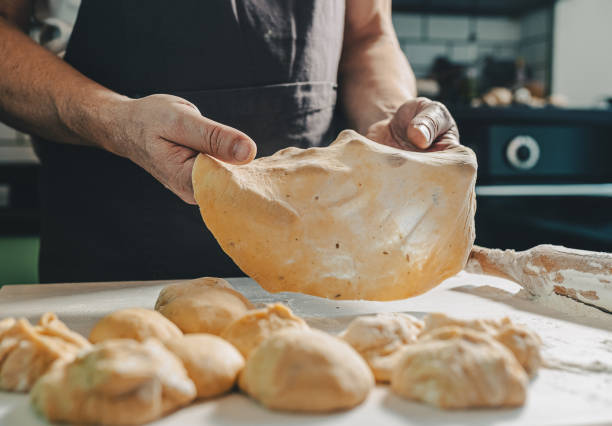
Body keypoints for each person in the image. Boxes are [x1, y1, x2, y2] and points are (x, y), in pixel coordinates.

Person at [0, 0, 460, 283]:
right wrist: (116, 120)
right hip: (113, 256)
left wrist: (386, 119)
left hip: (322, 261)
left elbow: (369, 36)